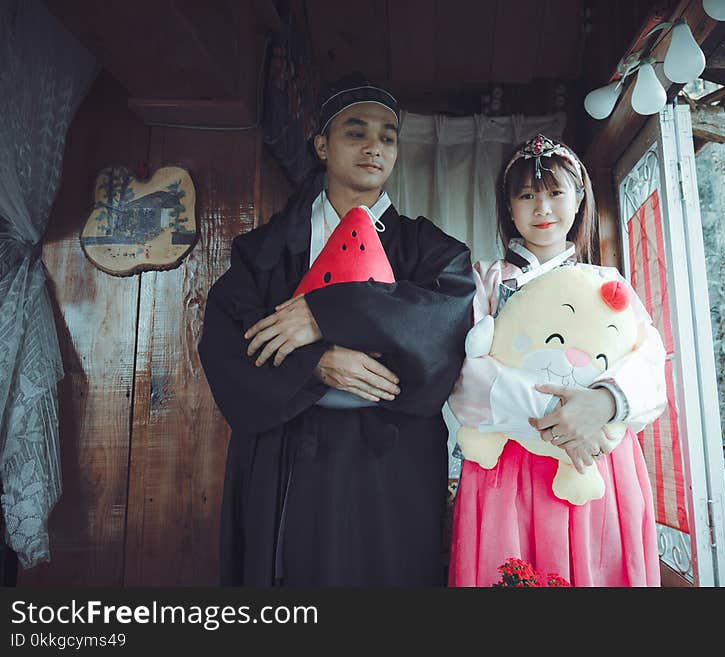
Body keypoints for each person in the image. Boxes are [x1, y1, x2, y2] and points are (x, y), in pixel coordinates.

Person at [198, 73, 476, 586]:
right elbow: (225, 341)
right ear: (322, 144)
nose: (375, 146)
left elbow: (446, 324)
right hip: (288, 454)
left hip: (392, 466)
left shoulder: (430, 249)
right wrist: (318, 363)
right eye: (356, 132)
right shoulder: (264, 251)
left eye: (388, 137)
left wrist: (323, 313)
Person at [446, 134, 668, 587]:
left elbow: (648, 360)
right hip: (508, 458)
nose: (542, 209)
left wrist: (604, 403)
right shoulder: (485, 282)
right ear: (509, 208)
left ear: (579, 198)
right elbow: (464, 376)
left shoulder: (607, 281)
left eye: (554, 193)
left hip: (594, 456)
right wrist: (556, 412)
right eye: (526, 196)